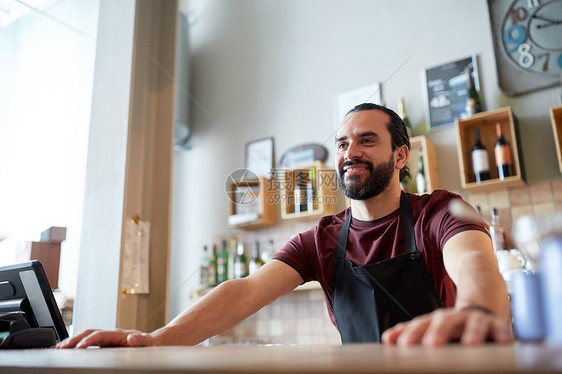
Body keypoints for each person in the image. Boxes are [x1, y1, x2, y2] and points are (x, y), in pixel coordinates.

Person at [58, 103, 512, 349]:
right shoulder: (321, 238)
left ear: (399, 155)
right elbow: (246, 291)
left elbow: (476, 265)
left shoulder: (441, 210)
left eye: (367, 140)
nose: (350, 151)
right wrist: (157, 340)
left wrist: (477, 311)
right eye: (342, 143)